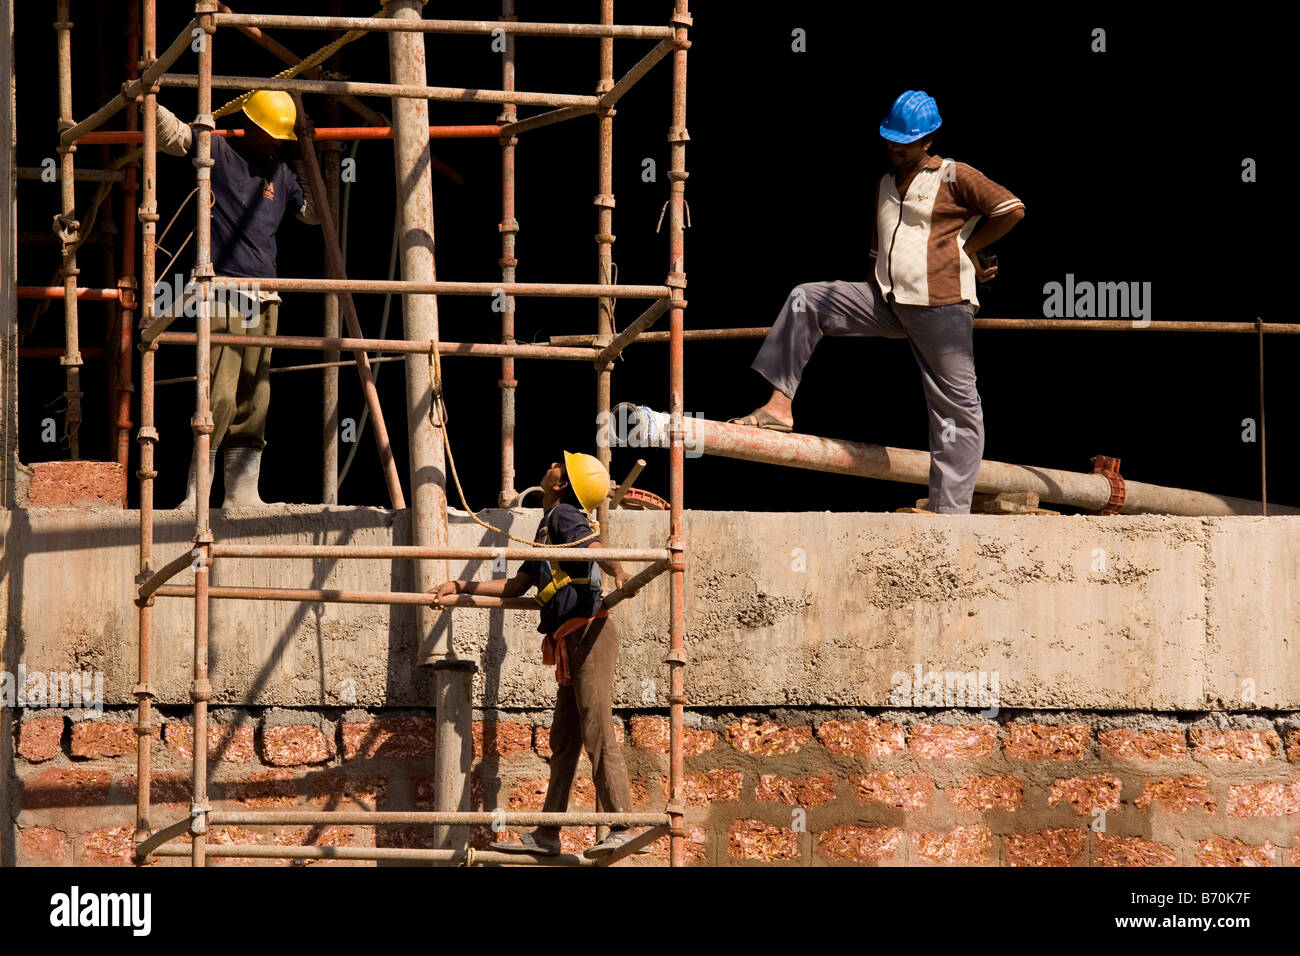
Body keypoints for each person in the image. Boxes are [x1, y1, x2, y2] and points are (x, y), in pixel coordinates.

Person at [728, 90, 1025, 514]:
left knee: (955, 412)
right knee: (807, 299)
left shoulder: (954, 176)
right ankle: (779, 406)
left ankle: (949, 516)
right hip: (887, 299)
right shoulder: (885, 183)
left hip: (940, 307)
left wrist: (968, 248)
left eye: (904, 141)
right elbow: (877, 251)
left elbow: (1011, 209)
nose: (894, 147)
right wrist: (864, 297)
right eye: (890, 139)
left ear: (928, 141)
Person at [429, 453, 648, 860]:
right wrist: (461, 586)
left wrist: (619, 572)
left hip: (590, 635)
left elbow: (595, 548)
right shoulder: (547, 526)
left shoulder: (565, 515)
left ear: (562, 485)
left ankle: (621, 823)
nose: (549, 463)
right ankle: (548, 833)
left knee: (596, 727)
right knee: (564, 741)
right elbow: (515, 587)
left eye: (556, 466)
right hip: (571, 640)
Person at [152, 90, 320, 508]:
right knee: (220, 393)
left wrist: (315, 156)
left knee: (255, 394)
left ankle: (242, 493)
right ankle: (197, 494)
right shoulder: (221, 153)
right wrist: (148, 98)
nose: (276, 142)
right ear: (251, 126)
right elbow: (174, 137)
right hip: (224, 289)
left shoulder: (280, 172)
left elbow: (314, 214)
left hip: (266, 295)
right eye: (271, 134)